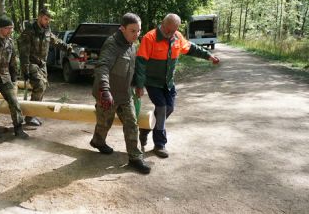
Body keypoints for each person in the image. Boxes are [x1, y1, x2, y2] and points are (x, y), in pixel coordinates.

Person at [135, 13, 220, 158]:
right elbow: (141, 63)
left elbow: (191, 48)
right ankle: (160, 145)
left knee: (170, 108)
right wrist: (139, 85)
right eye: (168, 30)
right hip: (153, 82)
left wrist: (208, 56)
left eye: (174, 30)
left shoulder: (177, 37)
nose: (170, 34)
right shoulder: (150, 38)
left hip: (168, 83)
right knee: (161, 108)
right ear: (163, 24)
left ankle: (146, 129)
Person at [89, 13, 151, 174]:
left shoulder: (132, 44)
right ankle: (98, 141)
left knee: (132, 124)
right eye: (132, 31)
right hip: (107, 94)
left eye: (138, 31)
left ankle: (135, 157)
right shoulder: (112, 44)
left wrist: (138, 84)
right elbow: (102, 67)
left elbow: (134, 66)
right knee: (104, 123)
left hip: (125, 94)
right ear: (122, 29)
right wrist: (105, 90)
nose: (136, 34)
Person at [18, 8, 72, 126]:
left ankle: (32, 114)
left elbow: (55, 41)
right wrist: (25, 69)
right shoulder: (29, 31)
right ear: (39, 17)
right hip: (31, 63)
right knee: (40, 85)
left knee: (43, 88)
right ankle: (30, 115)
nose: (48, 22)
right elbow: (23, 52)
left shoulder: (47, 30)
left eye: (49, 20)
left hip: (42, 64)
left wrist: (68, 47)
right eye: (46, 19)